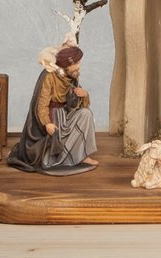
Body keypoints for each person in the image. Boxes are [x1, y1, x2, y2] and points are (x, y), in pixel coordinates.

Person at [7, 45, 100, 174]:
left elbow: (76, 105)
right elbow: (41, 104)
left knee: (86, 114)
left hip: (65, 115)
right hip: (52, 118)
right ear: (67, 64)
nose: (79, 66)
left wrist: (84, 95)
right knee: (49, 151)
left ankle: (82, 155)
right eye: (76, 63)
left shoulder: (71, 76)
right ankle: (59, 157)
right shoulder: (49, 76)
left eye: (79, 62)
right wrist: (47, 123)